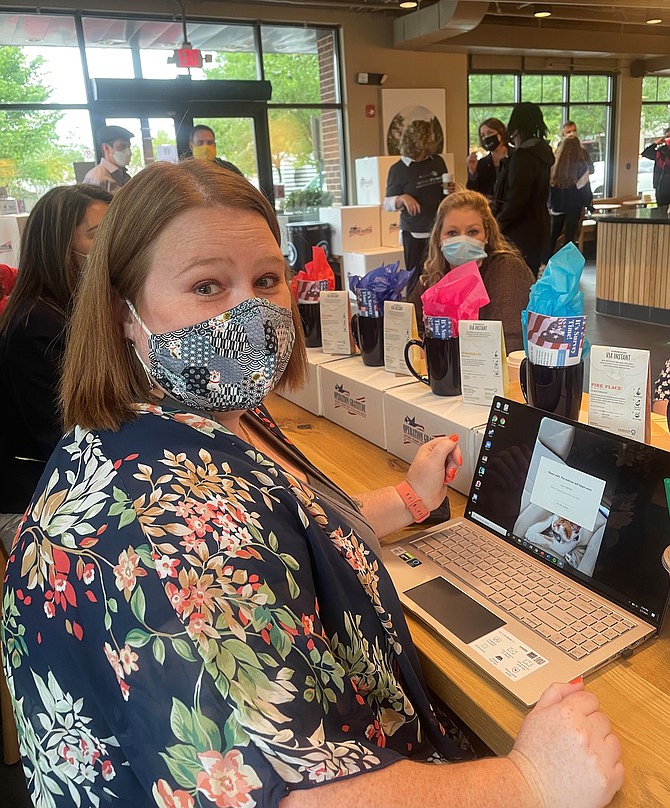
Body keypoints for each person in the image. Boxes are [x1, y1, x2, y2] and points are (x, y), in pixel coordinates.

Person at [2, 160, 623, 808]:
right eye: (208, 285)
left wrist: (407, 499)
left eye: (266, 279)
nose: (248, 312)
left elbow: (278, 524)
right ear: (124, 312)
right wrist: (530, 781)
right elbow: (292, 796)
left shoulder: (199, 413)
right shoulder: (156, 521)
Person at [0, 184, 112, 553]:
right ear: (59, 244)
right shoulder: (37, 324)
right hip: (34, 499)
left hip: (69, 482)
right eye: (98, 233)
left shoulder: (74, 311)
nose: (112, 244)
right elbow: (67, 437)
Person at [411, 190, 534, 352]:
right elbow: (410, 326)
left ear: (487, 235)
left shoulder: (507, 269)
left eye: (472, 232)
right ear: (439, 239)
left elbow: (507, 343)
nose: (463, 240)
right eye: (452, 233)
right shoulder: (435, 275)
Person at [384, 120, 447, 297]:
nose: (422, 155)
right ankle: (414, 317)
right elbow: (387, 204)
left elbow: (445, 193)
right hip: (413, 233)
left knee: (439, 276)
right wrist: (402, 198)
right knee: (415, 279)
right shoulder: (398, 169)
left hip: (437, 231)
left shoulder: (437, 162)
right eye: (418, 151)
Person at [494, 103, 555, 277]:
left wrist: (495, 224)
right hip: (537, 229)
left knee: (514, 281)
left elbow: (517, 200)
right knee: (529, 280)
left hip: (518, 233)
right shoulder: (542, 153)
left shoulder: (523, 156)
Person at [548, 136, 594, 258]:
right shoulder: (581, 165)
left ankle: (546, 261)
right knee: (570, 236)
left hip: (557, 204)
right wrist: (589, 205)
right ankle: (567, 263)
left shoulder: (555, 165)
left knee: (553, 235)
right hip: (574, 205)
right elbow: (584, 187)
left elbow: (550, 186)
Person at [466, 118, 508, 202]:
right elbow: (472, 192)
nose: (486, 138)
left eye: (490, 133)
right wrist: (472, 171)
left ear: (501, 133)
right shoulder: (482, 163)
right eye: (483, 135)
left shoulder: (515, 158)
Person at [83, 125, 134, 194]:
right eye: (122, 146)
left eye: (128, 147)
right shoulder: (97, 178)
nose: (128, 152)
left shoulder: (124, 175)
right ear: (105, 147)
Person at [641, 127, 670, 207]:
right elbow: (645, 153)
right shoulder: (660, 152)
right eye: (667, 137)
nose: (669, 139)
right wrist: (656, 143)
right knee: (661, 212)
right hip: (661, 189)